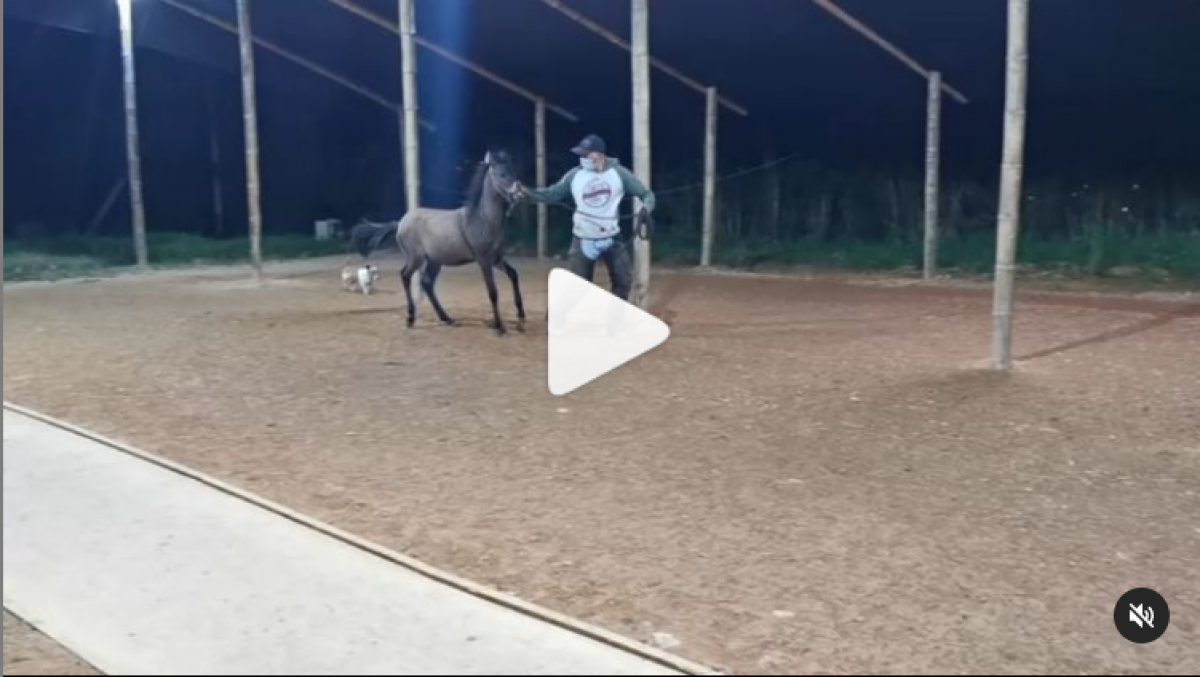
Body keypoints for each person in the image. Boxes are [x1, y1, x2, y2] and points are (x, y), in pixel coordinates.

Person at [518, 134, 655, 303]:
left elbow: (646, 194)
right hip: (583, 238)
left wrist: (645, 209)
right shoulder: (575, 175)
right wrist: (527, 193)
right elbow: (552, 194)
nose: (582, 158)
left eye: (586, 154)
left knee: (623, 281)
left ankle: (615, 315)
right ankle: (556, 315)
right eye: (581, 154)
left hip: (612, 237)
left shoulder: (619, 173)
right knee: (577, 289)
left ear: (599, 154)